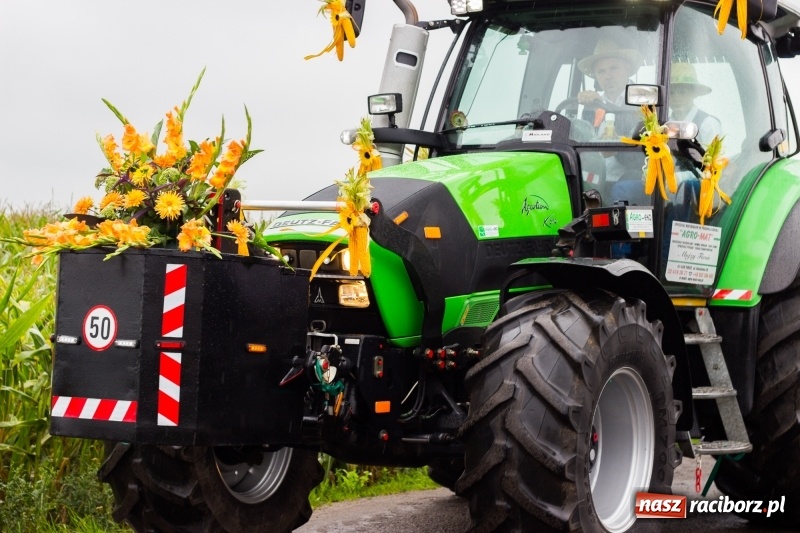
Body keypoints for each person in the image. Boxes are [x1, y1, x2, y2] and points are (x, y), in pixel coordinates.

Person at [668, 62, 721, 144]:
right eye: (671, 93)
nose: (676, 98)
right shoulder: (662, 126)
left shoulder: (708, 124)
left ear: (694, 93)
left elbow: (716, 152)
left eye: (682, 92)